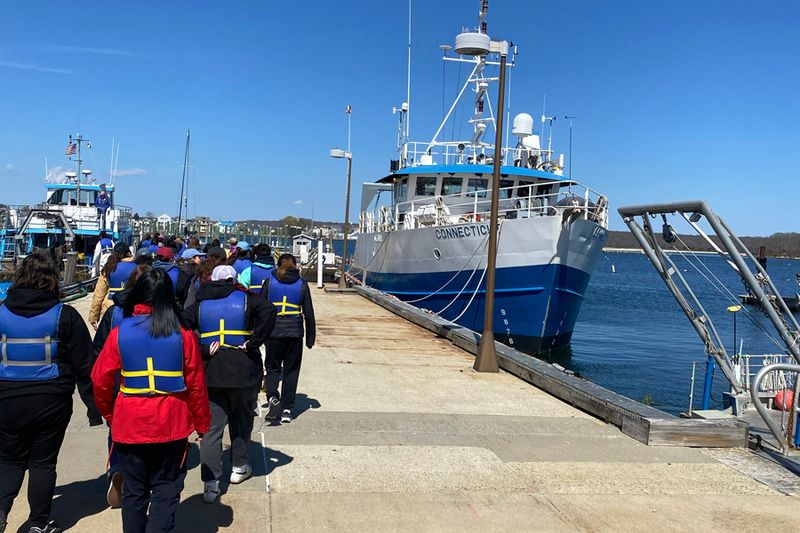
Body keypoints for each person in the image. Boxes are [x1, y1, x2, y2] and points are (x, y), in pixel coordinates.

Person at [92, 269, 211, 533]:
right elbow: (196, 386)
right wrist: (202, 425)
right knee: (166, 492)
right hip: (172, 427)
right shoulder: (184, 336)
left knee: (134, 494)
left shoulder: (119, 333)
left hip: (129, 428)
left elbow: (99, 380)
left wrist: (111, 415)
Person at [0, 253, 101, 533]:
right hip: (51, 400)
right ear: (52, 280)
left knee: (9, 460)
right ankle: (38, 524)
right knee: (43, 463)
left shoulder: (1, 312)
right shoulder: (64, 315)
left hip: (6, 399)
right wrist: (94, 408)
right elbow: (85, 364)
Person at [183, 265, 275, 503]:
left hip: (211, 372)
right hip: (243, 370)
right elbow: (269, 311)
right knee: (242, 422)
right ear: (234, 279)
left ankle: (211, 483)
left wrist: (201, 347)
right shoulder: (247, 299)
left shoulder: (200, 302)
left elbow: (181, 323)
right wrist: (254, 342)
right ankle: (239, 467)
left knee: (211, 430)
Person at [92, 263, 153, 509]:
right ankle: (143, 477)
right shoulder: (165, 317)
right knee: (150, 432)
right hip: (152, 381)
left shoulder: (113, 313)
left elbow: (97, 352)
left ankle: (117, 467)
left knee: (116, 431)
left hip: (119, 381)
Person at [261, 253, 316, 423]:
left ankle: (272, 396)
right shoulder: (302, 284)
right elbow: (309, 313)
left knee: (272, 367)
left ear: (278, 265)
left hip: (273, 332)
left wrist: (258, 333)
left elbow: (261, 308)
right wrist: (310, 338)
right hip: (294, 333)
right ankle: (286, 409)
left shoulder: (269, 283)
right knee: (291, 370)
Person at [89, 243, 135, 329]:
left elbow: (99, 295)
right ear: (129, 253)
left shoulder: (109, 268)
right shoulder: (139, 268)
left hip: (110, 310)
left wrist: (94, 317)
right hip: (132, 311)